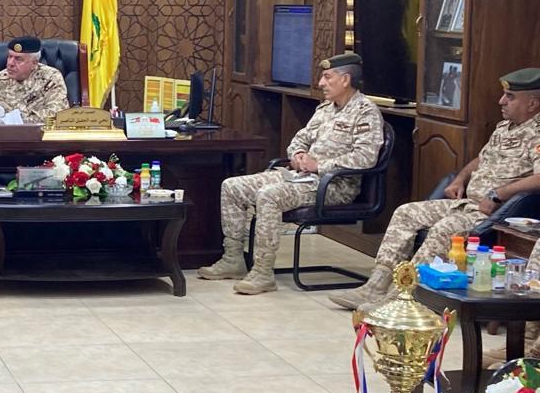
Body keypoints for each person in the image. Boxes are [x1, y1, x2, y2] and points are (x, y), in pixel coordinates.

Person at [330, 67, 540, 310]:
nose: (501, 101)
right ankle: (375, 286)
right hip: (468, 203)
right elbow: (483, 159)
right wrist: (460, 178)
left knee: (444, 229)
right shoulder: (505, 127)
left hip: (494, 213)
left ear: (532, 103)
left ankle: (401, 298)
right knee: (405, 212)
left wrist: (498, 194)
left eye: (510, 97)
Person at [198, 53, 384, 295]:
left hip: (333, 186)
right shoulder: (325, 109)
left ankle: (263, 272)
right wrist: (297, 153)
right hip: (300, 176)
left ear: (345, 79)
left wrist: (319, 165)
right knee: (232, 186)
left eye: (327, 77)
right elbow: (300, 138)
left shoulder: (365, 111)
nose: (321, 83)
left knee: (269, 195)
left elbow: (365, 158)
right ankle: (233, 259)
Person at [0, 36, 69, 124]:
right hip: (4, 132)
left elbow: (56, 115)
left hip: (40, 132)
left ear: (34, 63)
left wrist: (16, 122)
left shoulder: (51, 77)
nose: (10, 63)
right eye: (9, 57)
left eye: (18, 59)